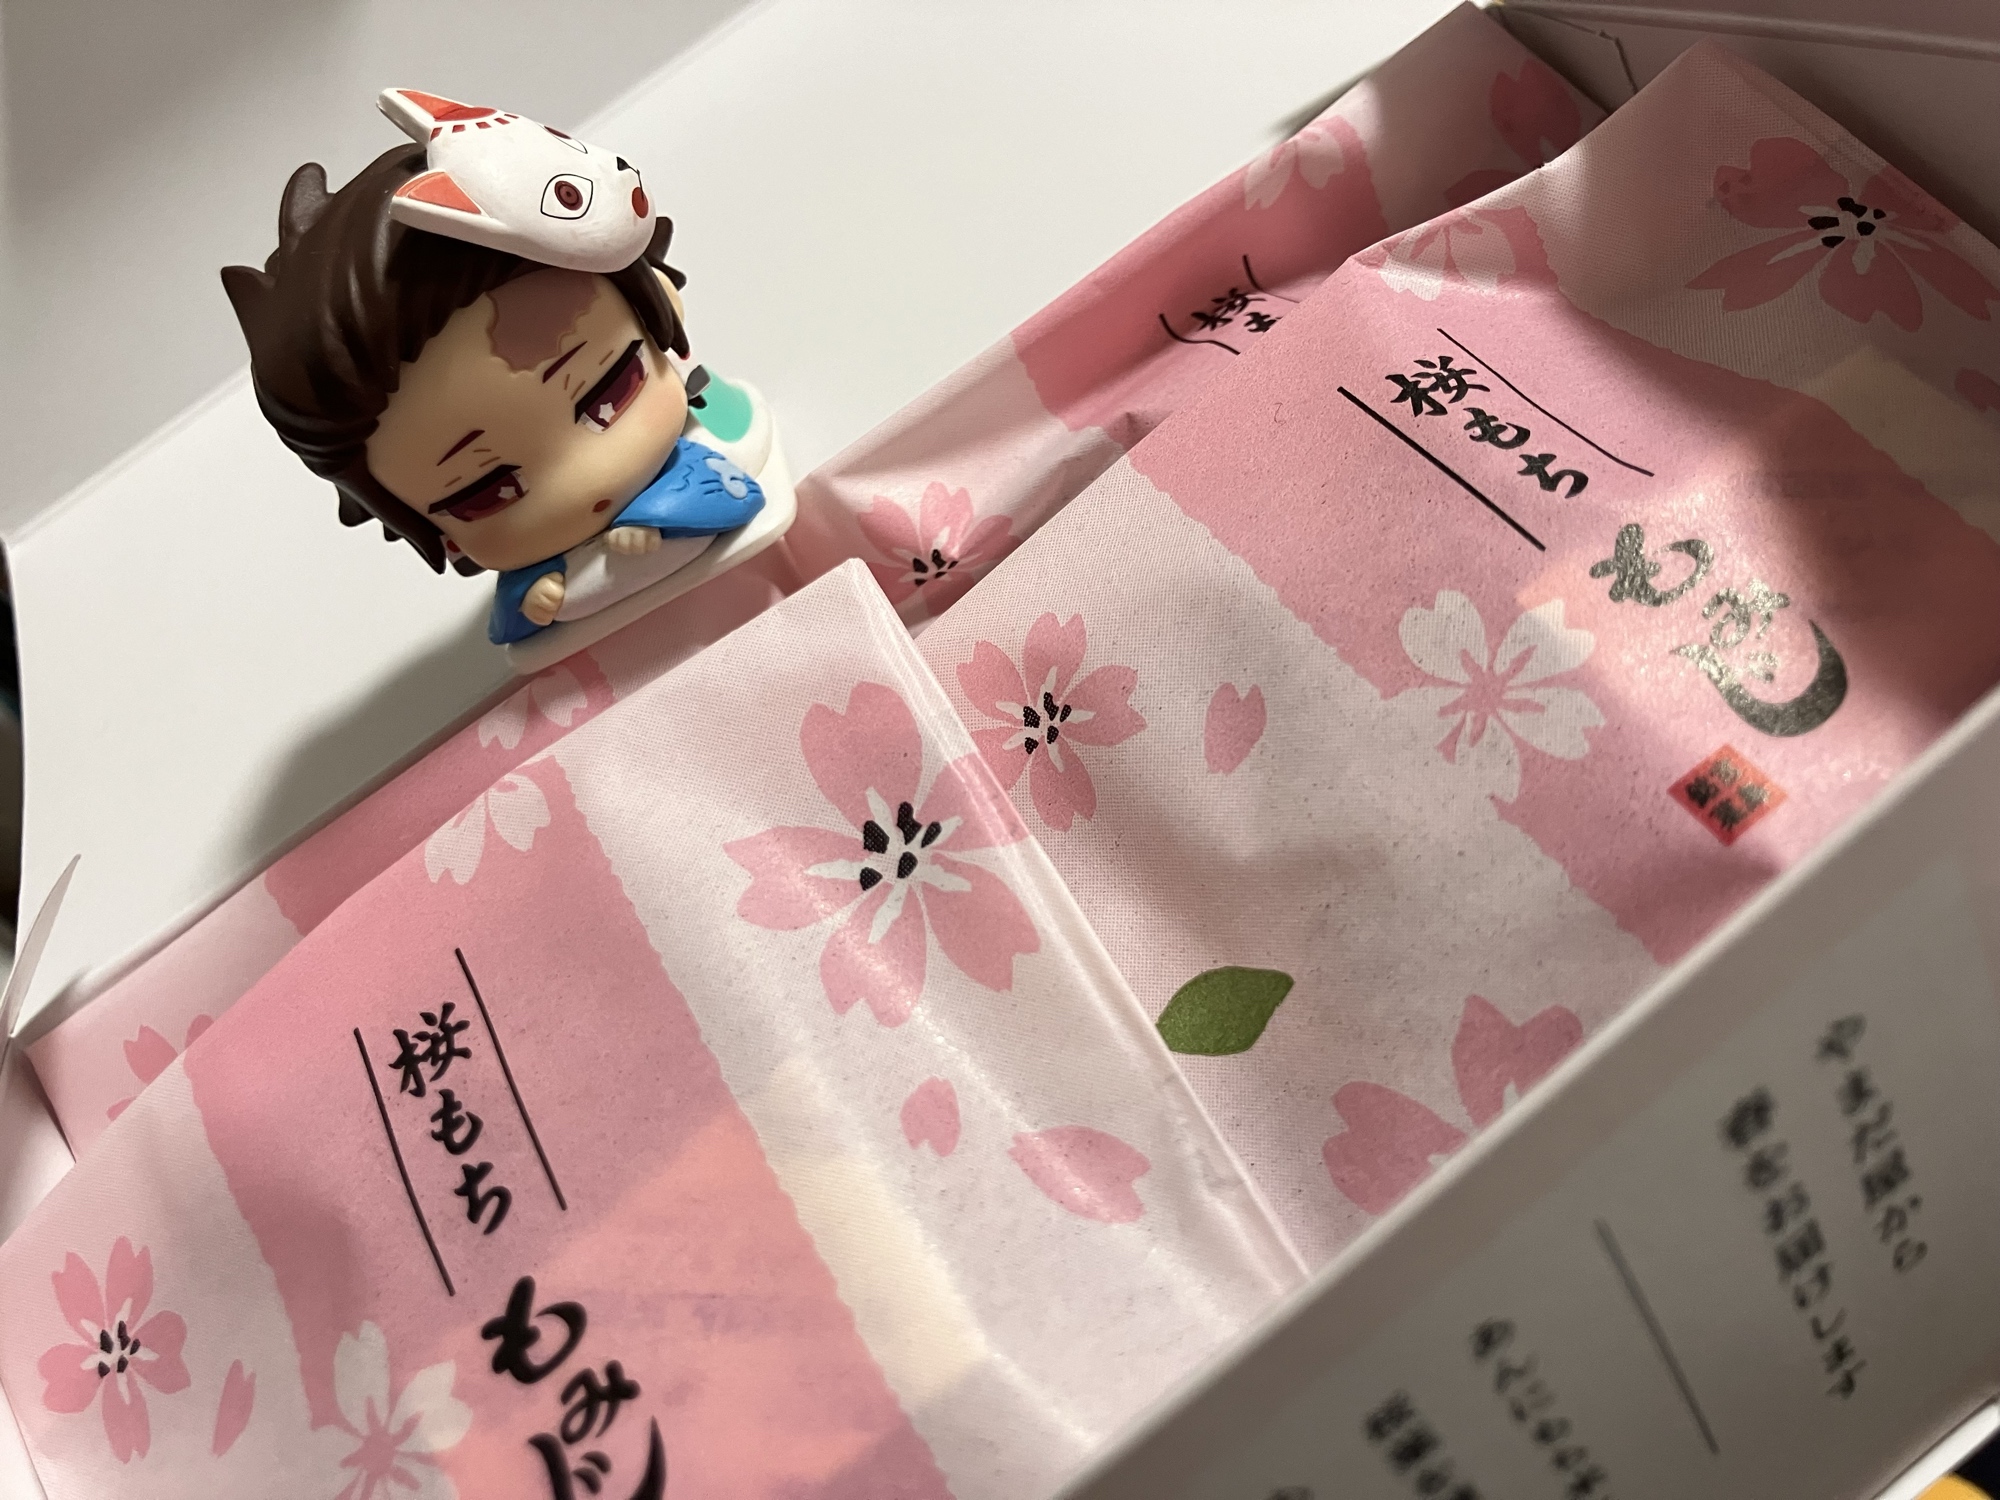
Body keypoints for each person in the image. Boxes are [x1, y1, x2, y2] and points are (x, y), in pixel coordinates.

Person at [222, 91, 763, 644]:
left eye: (611, 394)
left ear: (661, 302)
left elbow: (740, 480)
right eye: (487, 492)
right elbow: (514, 624)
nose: (583, 481)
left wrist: (662, 519)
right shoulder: (541, 582)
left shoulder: (721, 432)